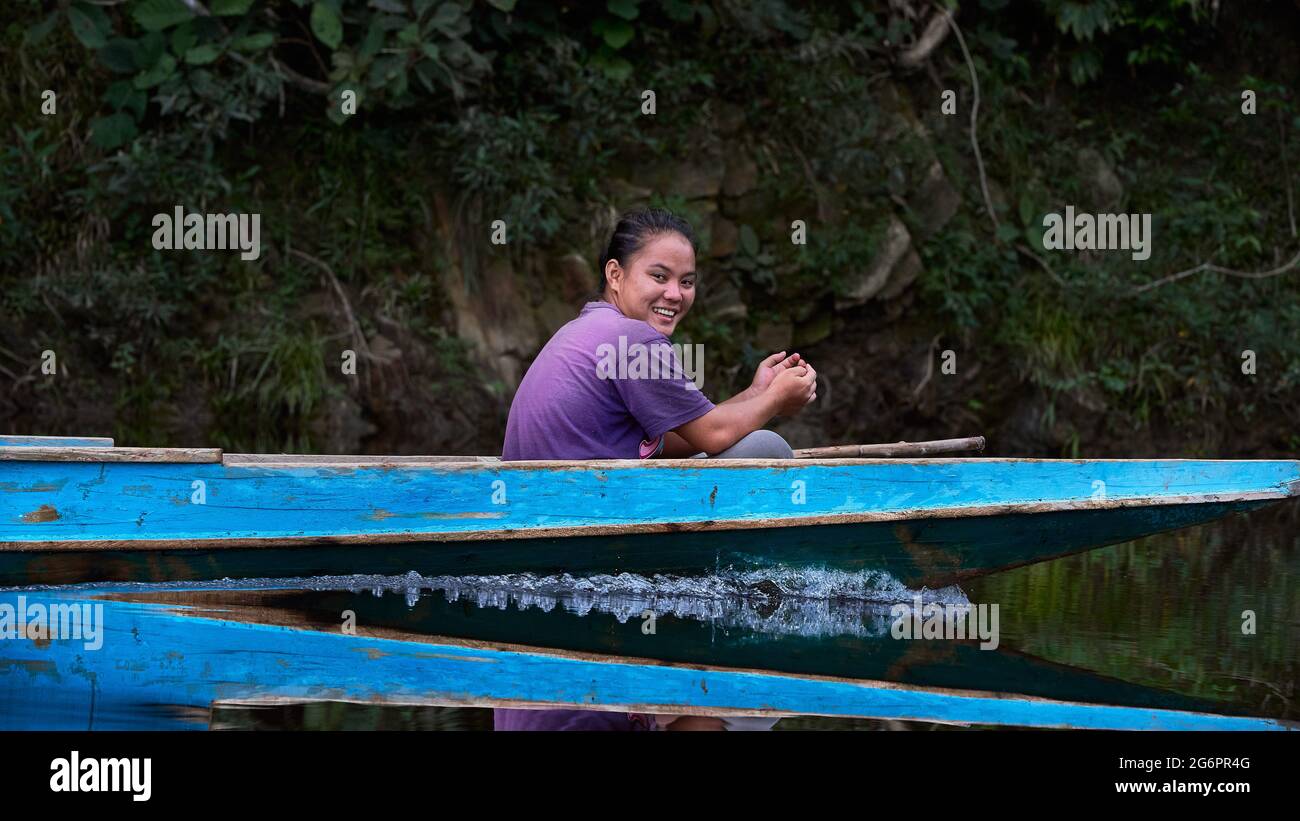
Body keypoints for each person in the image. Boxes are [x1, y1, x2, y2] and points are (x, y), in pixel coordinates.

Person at [495, 207, 817, 731]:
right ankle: (755, 604)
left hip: (544, 520)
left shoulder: (589, 328)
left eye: (686, 282)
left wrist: (759, 391)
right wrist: (776, 400)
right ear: (615, 275)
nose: (675, 294)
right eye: (659, 277)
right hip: (578, 529)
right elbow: (712, 435)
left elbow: (681, 434)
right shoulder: (632, 342)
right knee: (768, 448)